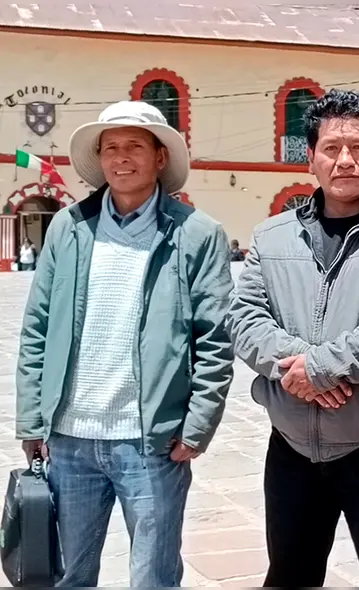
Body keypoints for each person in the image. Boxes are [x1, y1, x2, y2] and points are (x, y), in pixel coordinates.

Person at [15, 100, 235, 587]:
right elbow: (37, 328)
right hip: (69, 439)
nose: (121, 157)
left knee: (153, 577)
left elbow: (215, 341)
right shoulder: (68, 228)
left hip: (150, 442)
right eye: (110, 147)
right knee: (70, 576)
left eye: (134, 145)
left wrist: (196, 427)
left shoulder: (196, 235)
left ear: (160, 157)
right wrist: (33, 419)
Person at [227, 89, 359, 587]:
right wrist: (299, 367)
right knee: (289, 576)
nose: (345, 160)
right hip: (292, 447)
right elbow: (244, 318)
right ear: (311, 158)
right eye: (331, 148)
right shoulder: (272, 235)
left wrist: (319, 369)